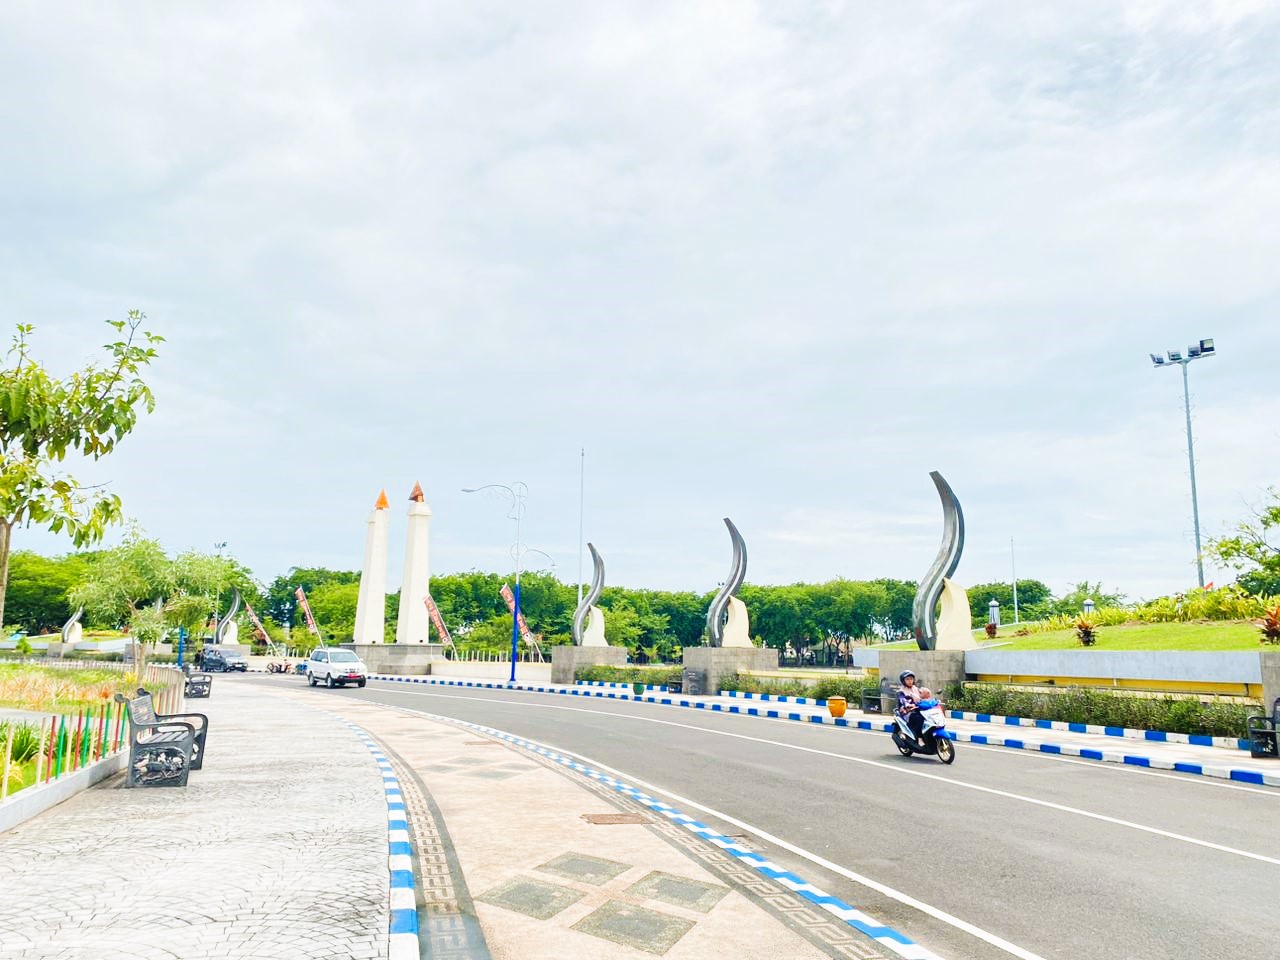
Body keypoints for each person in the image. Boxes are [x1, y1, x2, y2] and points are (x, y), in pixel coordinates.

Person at [897, 670, 926, 744]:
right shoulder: (902, 691)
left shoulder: (915, 688)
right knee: (919, 718)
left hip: (917, 709)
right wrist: (909, 705)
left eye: (911, 679)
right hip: (907, 712)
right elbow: (903, 701)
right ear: (903, 681)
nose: (910, 681)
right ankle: (920, 737)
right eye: (907, 679)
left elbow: (922, 696)